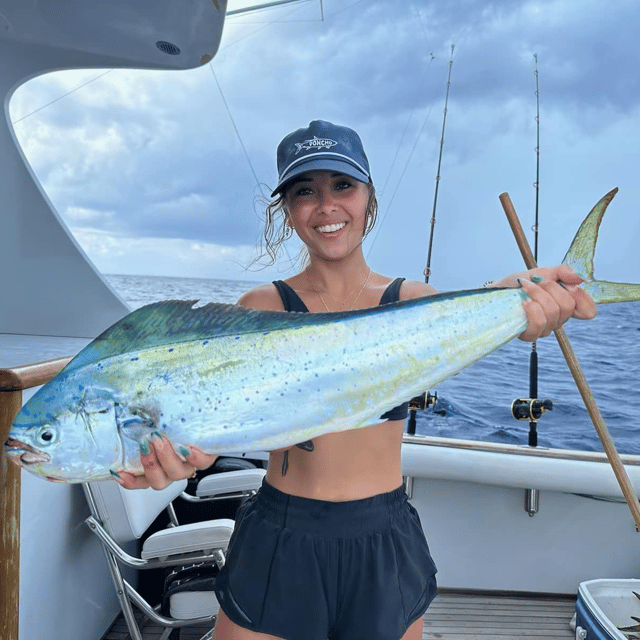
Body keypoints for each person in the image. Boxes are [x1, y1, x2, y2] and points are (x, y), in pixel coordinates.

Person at [117, 120, 597, 640]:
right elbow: (221, 421)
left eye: (342, 186)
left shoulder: (412, 301)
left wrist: (519, 303)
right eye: (306, 191)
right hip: (282, 534)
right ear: (288, 210)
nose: (326, 206)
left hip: (383, 537)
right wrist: (189, 456)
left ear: (368, 197)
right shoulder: (262, 308)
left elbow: (466, 315)